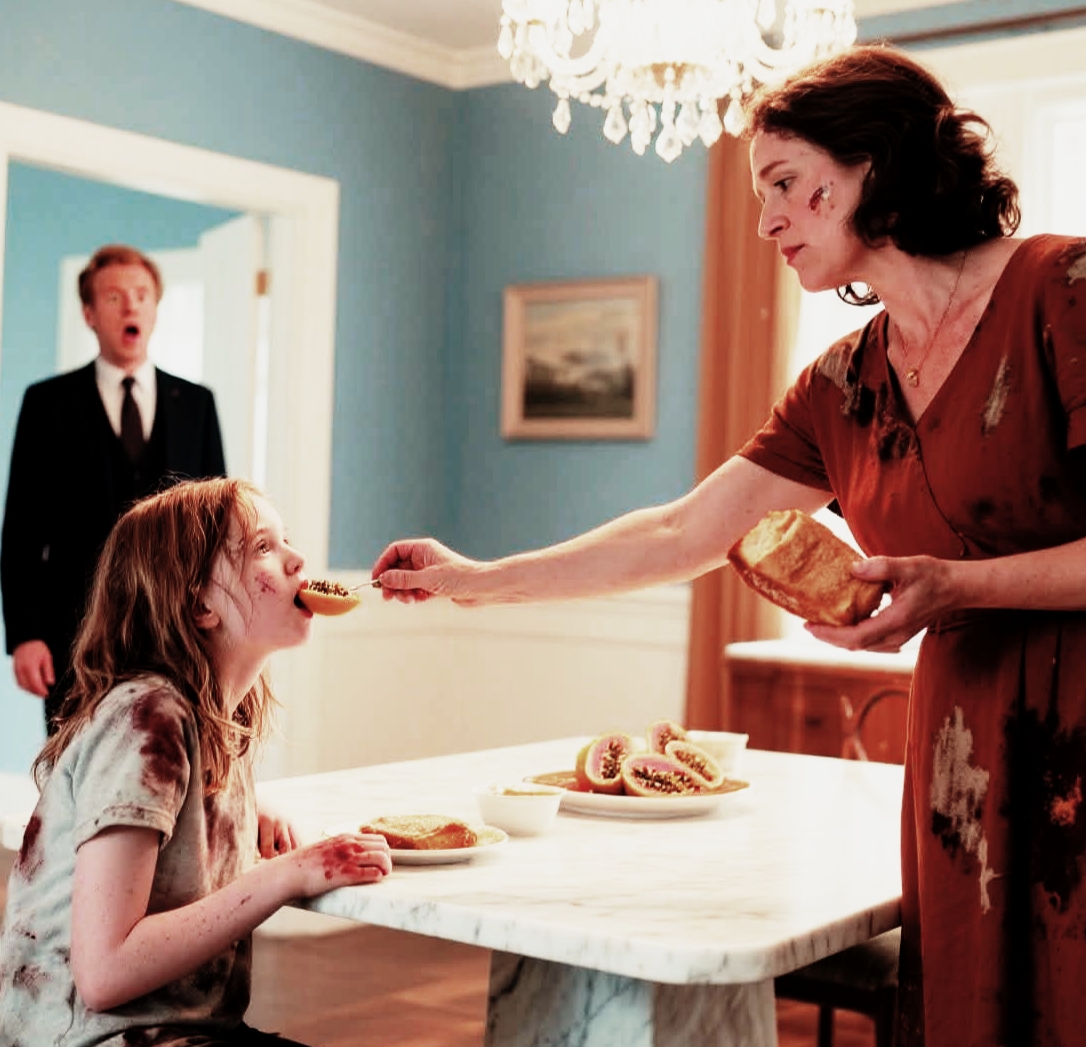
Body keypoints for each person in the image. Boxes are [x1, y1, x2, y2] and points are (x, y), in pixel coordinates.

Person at [368, 44, 1086, 1047]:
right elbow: (682, 531)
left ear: (870, 164)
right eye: (760, 194)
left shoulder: (1062, 288)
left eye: (785, 184)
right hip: (962, 757)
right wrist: (474, 580)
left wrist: (959, 585)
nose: (766, 221)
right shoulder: (841, 383)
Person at [0, 477, 392, 1046]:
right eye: (263, 547)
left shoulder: (210, 721)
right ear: (199, 604)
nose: (297, 560)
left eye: (285, 540)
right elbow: (104, 973)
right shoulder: (148, 719)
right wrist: (287, 874)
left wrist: (239, 810)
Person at [1, 243, 227, 732]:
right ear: (89, 313)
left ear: (155, 310)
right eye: (114, 297)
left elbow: (218, 526)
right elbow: (21, 529)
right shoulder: (47, 404)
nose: (130, 307)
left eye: (142, 295)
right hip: (74, 636)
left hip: (178, 632)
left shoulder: (197, 405)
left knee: (173, 760)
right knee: (76, 763)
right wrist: (24, 635)